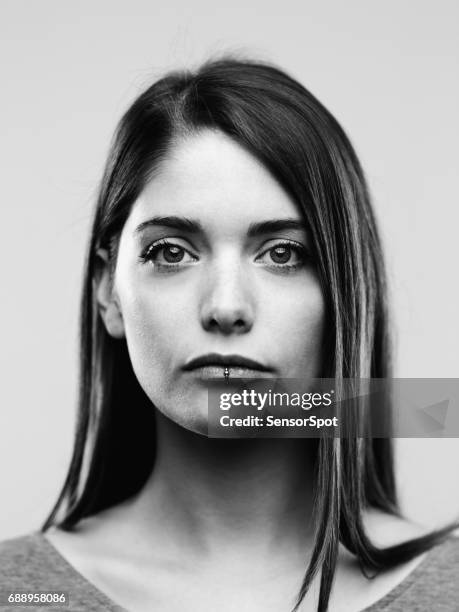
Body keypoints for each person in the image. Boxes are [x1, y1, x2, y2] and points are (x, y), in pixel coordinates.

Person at [1, 57, 458, 612]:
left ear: (345, 293)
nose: (225, 307)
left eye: (284, 254)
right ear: (108, 293)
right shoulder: (18, 592)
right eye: (171, 252)